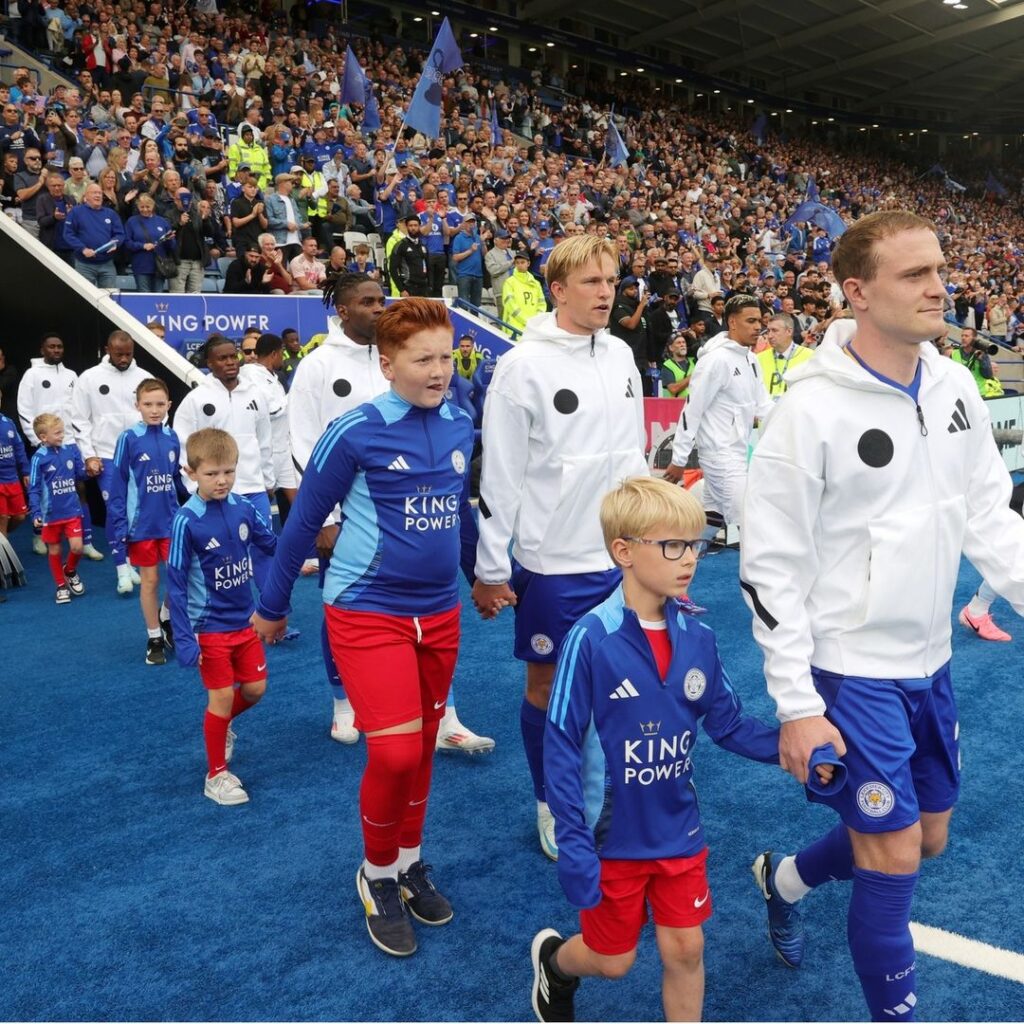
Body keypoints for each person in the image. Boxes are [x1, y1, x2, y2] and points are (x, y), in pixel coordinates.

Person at [740, 211, 1024, 1022]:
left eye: (939, 269)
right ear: (857, 292)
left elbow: (990, 518)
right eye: (914, 275)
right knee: (895, 854)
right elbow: (769, 566)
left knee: (928, 837)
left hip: (929, 662)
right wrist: (797, 704)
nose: (939, 287)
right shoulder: (809, 411)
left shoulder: (956, 385)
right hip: (848, 671)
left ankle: (783, 879)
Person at [532, 477, 828, 1023]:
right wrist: (573, 842)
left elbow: (730, 725)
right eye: (672, 545)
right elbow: (561, 749)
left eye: (695, 543)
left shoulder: (698, 637)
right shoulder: (589, 639)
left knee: (687, 950)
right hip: (610, 839)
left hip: (678, 832)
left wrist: (798, 748)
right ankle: (555, 963)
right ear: (623, 551)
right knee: (613, 961)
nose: (689, 558)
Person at [252, 299, 485, 957]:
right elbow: (301, 522)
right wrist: (272, 606)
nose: (440, 371)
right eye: (423, 359)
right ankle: (376, 874)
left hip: (440, 614)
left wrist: (484, 578)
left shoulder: (462, 422)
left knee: (422, 751)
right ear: (386, 363)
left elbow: (460, 516)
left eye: (446, 356)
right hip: (366, 610)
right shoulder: (355, 429)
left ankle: (409, 862)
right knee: (394, 752)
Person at [471, 236, 648, 860]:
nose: (607, 292)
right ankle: (551, 803)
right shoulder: (523, 366)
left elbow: (633, 455)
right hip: (553, 565)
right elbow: (501, 476)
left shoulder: (623, 354)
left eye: (612, 280)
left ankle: (610, 798)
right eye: (594, 282)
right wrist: (493, 569)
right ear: (559, 290)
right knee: (548, 689)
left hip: (623, 559)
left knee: (626, 686)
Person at [166, 428, 276, 806]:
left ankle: (222, 726)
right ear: (191, 472)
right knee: (219, 701)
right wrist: (182, 637)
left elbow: (270, 544)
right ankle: (216, 776)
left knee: (255, 690)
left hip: (245, 623)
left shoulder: (243, 508)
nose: (222, 480)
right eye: (212, 473)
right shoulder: (186, 520)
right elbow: (176, 584)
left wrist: (306, 546)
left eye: (228, 471)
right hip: (208, 630)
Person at [663, 295, 774, 539]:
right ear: (732, 323)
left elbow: (764, 406)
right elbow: (692, 410)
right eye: (751, 321)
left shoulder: (751, 359)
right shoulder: (715, 361)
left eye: (760, 321)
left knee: (709, 519)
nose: (758, 327)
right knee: (754, 525)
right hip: (719, 455)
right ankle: (755, 578)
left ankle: (675, 560)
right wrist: (679, 458)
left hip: (739, 452)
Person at [172, 335, 275, 587]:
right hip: (215, 495)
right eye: (222, 358)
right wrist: (195, 488)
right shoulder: (195, 400)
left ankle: (273, 619)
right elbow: (183, 447)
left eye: (233, 356)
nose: (230, 362)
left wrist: (268, 480)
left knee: (266, 552)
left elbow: (265, 442)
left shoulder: (256, 395)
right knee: (222, 559)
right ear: (209, 362)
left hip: (253, 489)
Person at [106, 378, 184, 664]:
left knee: (181, 579)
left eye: (160, 404)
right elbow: (118, 486)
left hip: (171, 524)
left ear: (169, 405)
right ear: (136, 405)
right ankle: (154, 637)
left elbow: (176, 480)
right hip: (141, 528)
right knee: (149, 581)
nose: (154, 410)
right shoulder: (128, 438)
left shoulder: (172, 437)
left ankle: (166, 617)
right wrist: (119, 527)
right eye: (148, 404)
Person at [71, 330, 151, 595]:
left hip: (139, 456)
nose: (124, 358)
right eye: (119, 354)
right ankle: (121, 570)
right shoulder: (89, 378)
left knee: (133, 513)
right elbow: (80, 419)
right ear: (107, 349)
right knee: (116, 512)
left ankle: (128, 561)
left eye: (129, 353)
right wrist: (89, 454)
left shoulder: (144, 378)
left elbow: (155, 413)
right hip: (106, 455)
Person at [28, 413, 87, 604]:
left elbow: (80, 476)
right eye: (57, 433)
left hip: (72, 511)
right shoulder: (39, 458)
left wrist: (87, 467)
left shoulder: (70, 451)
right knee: (54, 551)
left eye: (62, 431)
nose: (62, 436)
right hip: (50, 515)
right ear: (43, 437)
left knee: (77, 547)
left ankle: (69, 570)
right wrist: (36, 512)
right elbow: (34, 488)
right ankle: (61, 586)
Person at [240, 333, 297, 517]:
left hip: (284, 450)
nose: (283, 357)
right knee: (263, 507)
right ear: (275, 354)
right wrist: (294, 397)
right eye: (281, 353)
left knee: (298, 504)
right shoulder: (250, 375)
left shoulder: (273, 376)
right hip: (266, 454)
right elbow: (270, 410)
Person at [63, 181, 124, 288]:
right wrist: (83, 249)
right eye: (94, 193)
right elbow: (68, 234)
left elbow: (120, 234)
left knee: (109, 298)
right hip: (84, 264)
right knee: (85, 298)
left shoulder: (111, 213)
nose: (97, 195)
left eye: (100, 193)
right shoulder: (76, 212)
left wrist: (116, 243)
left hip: (107, 264)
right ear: (86, 196)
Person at [123, 193, 176, 292]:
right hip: (141, 265)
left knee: (158, 295)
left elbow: (172, 246)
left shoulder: (162, 222)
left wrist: (170, 239)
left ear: (153, 206)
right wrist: (142, 246)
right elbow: (127, 242)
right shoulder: (132, 221)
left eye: (148, 206)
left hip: (160, 266)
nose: (145, 209)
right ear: (138, 207)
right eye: (142, 207)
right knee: (144, 295)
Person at [756, 312, 814, 399]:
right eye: (768, 331)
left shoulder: (810, 356)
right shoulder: (758, 358)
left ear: (789, 331)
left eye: (774, 330)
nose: (770, 336)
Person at [0, 394, 30, 537]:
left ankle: (2, 538)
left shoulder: (8, 423)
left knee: (20, 516)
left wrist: (26, 471)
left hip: (12, 479)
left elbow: (19, 448)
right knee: (3, 518)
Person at [502, 251, 546, 336]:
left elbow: (542, 304)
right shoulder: (509, 282)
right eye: (517, 263)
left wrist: (535, 320)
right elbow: (510, 305)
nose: (520, 265)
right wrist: (527, 321)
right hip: (513, 327)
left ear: (528, 263)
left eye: (522, 262)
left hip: (532, 328)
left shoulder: (536, 284)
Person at [390, 214, 429, 297]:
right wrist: (401, 289)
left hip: (423, 289)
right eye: (410, 225)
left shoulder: (423, 245)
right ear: (406, 227)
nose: (413, 228)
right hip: (408, 288)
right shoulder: (400, 245)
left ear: (419, 226)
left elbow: (428, 267)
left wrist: (429, 286)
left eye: (415, 225)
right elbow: (392, 269)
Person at [451, 212, 484, 307]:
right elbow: (455, 257)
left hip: (478, 275)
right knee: (464, 305)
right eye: (469, 222)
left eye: (473, 222)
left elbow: (484, 255)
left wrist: (483, 242)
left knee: (476, 306)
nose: (471, 224)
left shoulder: (478, 237)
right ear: (464, 224)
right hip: (464, 275)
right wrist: (470, 250)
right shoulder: (459, 238)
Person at [660, 332, 695, 400]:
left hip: (695, 404)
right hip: (677, 406)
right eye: (678, 343)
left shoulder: (693, 361)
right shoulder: (668, 365)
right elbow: (673, 389)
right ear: (671, 348)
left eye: (684, 342)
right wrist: (694, 375)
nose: (682, 345)